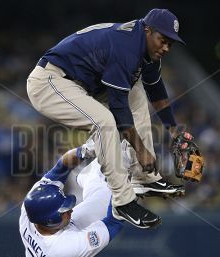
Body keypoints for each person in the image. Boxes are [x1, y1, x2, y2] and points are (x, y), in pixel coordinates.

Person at [27, 8, 187, 229]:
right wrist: (141, 150)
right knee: (104, 122)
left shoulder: (145, 46)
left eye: (171, 43)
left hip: (83, 83)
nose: (166, 47)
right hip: (50, 81)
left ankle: (143, 178)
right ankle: (123, 201)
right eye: (163, 40)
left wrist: (174, 130)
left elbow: (156, 89)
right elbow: (119, 111)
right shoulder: (127, 48)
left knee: (137, 92)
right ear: (148, 30)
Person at [8, 147, 125, 257]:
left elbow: (60, 168)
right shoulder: (62, 249)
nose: (70, 209)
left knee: (103, 194)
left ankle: (92, 175)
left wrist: (83, 151)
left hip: (63, 246)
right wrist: (122, 190)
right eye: (64, 210)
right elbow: (113, 223)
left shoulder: (30, 206)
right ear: (51, 220)